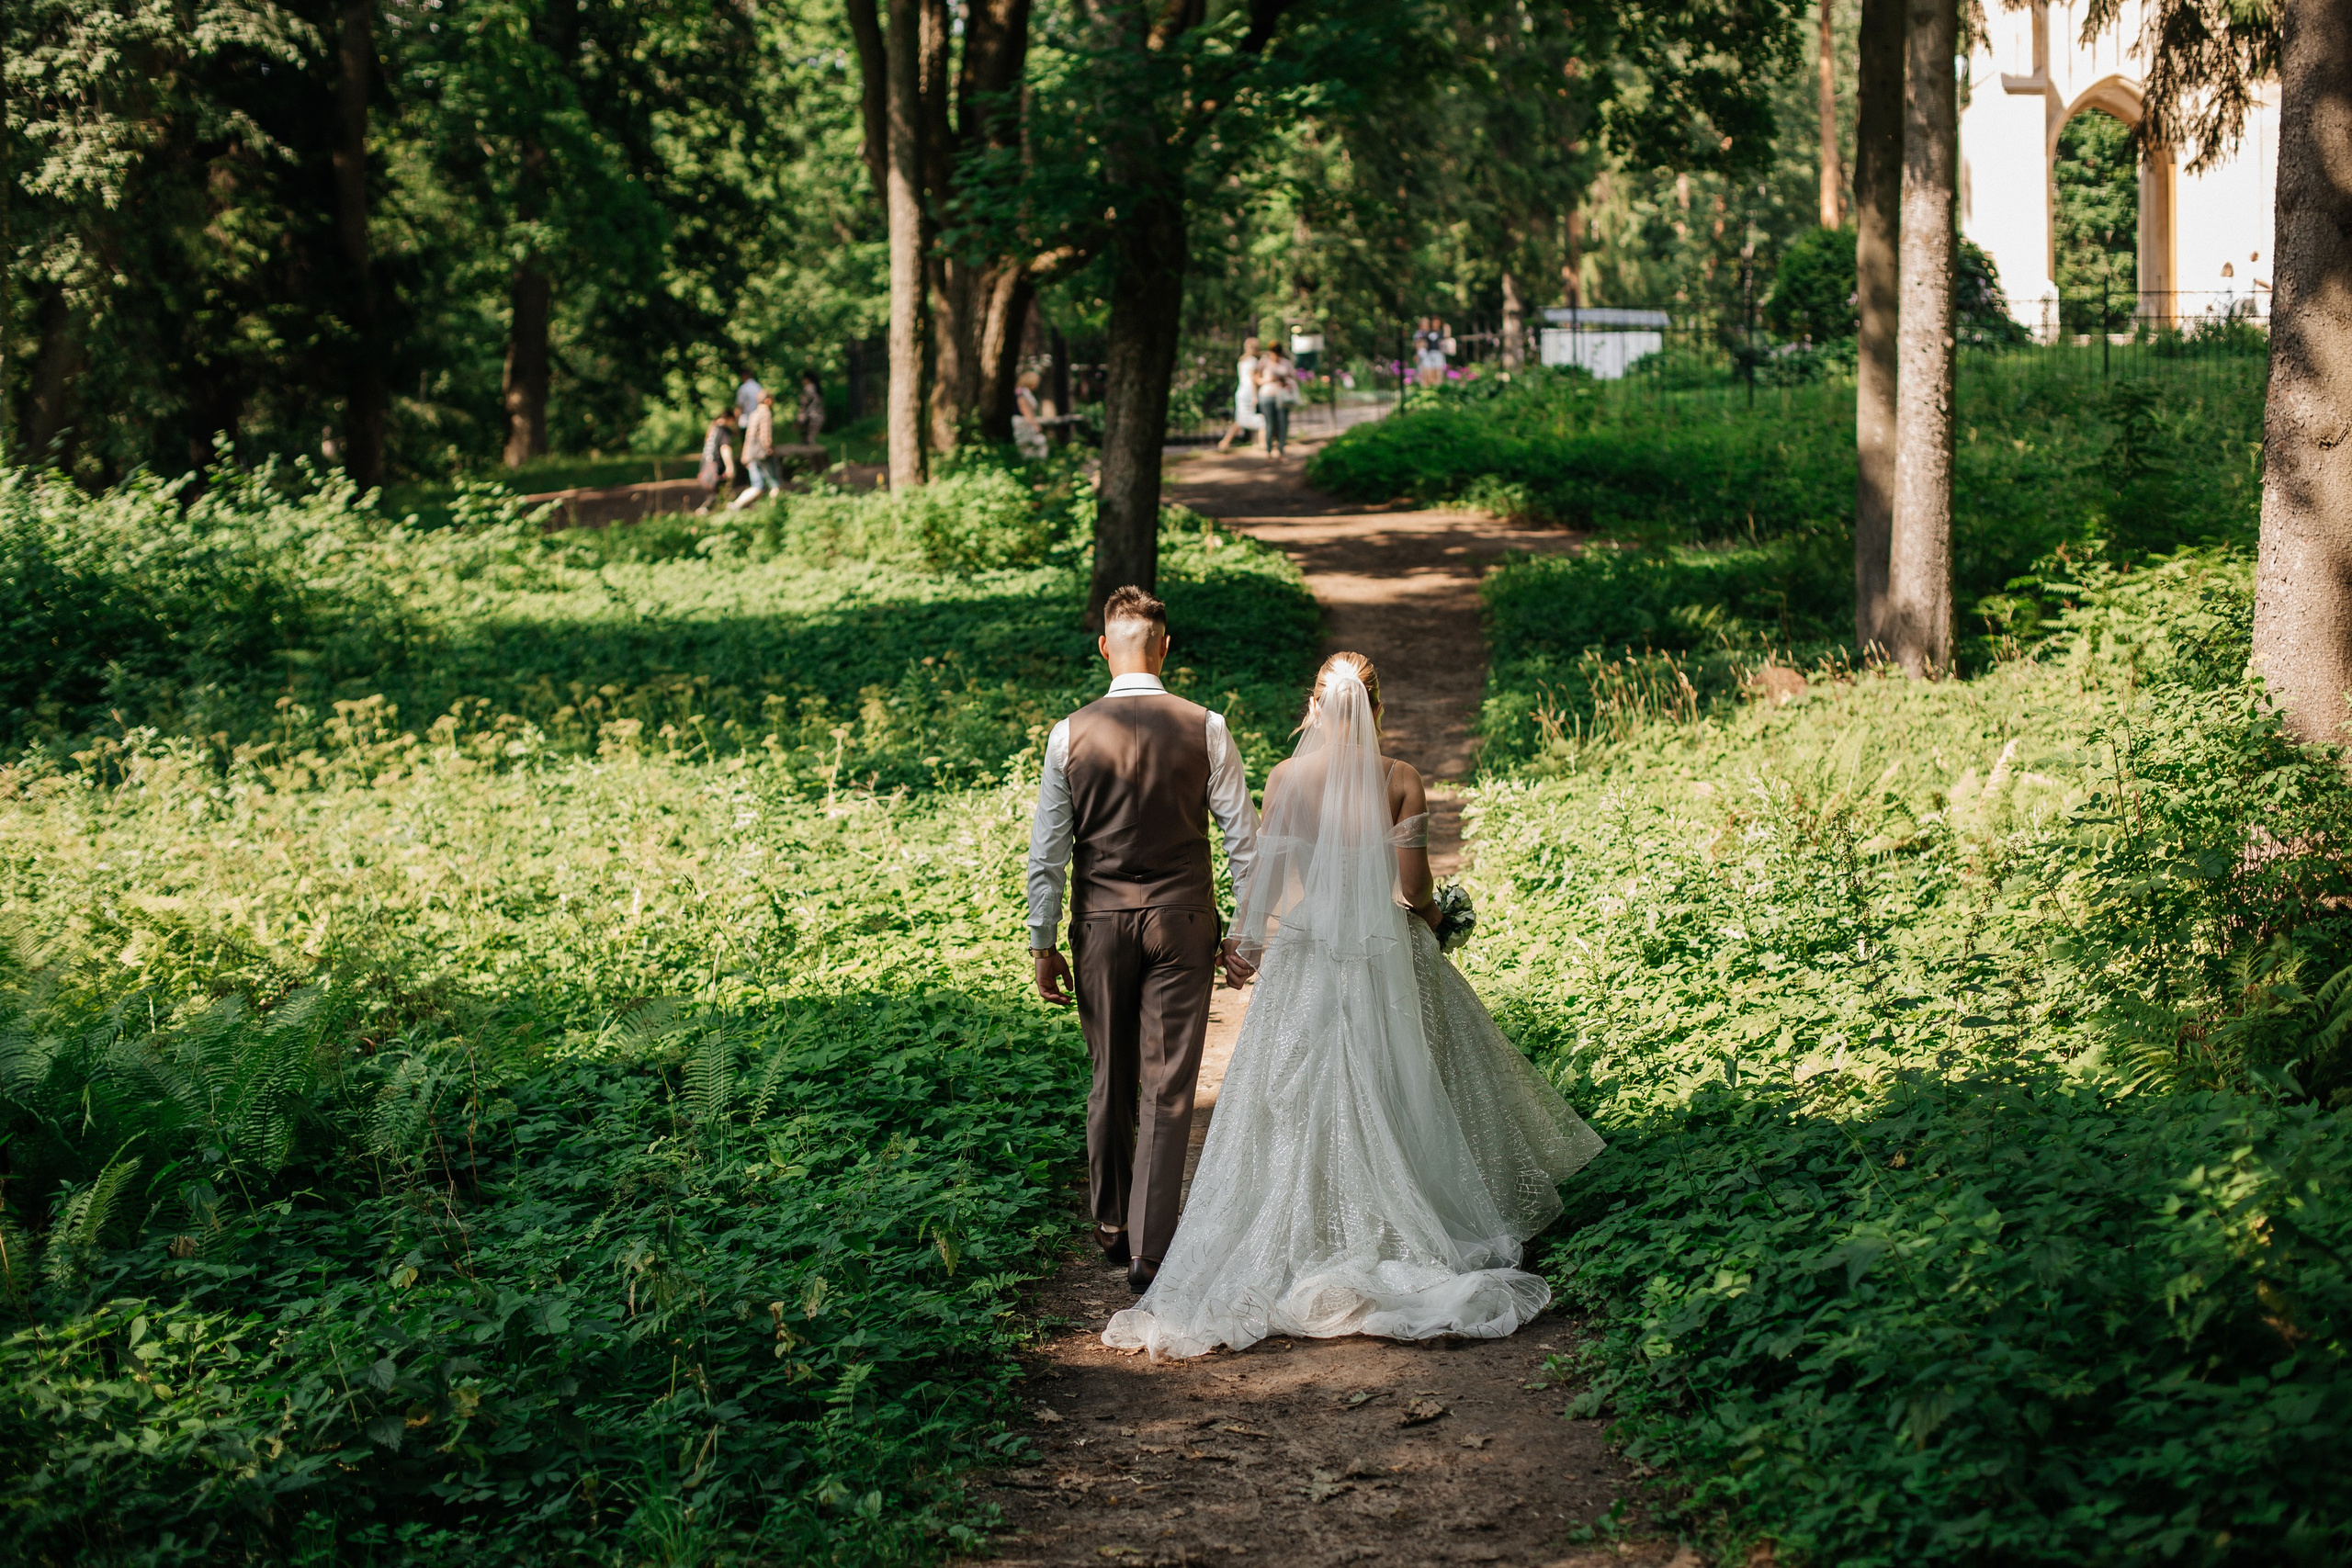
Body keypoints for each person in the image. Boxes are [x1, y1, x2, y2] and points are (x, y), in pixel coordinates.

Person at [1103, 652, 1604, 1360]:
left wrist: (1246, 944)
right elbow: (1414, 887)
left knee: (1297, 1096)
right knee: (1396, 1077)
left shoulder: (1286, 777)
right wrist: (1439, 919)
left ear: (1314, 706)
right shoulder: (1399, 779)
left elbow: (1271, 880)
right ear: (1377, 708)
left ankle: (1305, 1224)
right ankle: (1398, 1222)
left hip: (1307, 950)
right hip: (1379, 950)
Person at [1026, 586, 1262, 1295]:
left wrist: (1043, 940)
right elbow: (1245, 843)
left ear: (1106, 646)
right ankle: (1151, 1250)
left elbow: (1048, 851)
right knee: (1167, 1085)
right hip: (1182, 921)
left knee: (1111, 1073)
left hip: (1100, 922)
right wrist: (1245, 932)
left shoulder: (1068, 734)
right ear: (1165, 647)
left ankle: (1111, 1221)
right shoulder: (1207, 726)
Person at [729, 389, 780, 510]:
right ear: (767, 400)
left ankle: (735, 505)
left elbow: (749, 436)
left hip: (752, 454)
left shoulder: (753, 414)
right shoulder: (766, 413)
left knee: (757, 485)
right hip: (763, 453)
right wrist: (769, 447)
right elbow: (765, 434)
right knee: (775, 484)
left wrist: (745, 455)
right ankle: (774, 510)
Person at [1216, 336, 1263, 453]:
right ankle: (1263, 444)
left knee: (1239, 420)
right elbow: (1252, 380)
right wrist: (1255, 396)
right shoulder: (1253, 361)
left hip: (1241, 390)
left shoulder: (1242, 361)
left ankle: (1224, 443)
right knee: (1260, 421)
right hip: (1248, 392)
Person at [1254, 344, 1298, 458]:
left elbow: (1293, 377)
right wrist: (1268, 379)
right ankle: (1268, 451)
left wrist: (1284, 380)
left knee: (1283, 424)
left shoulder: (1286, 363)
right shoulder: (1264, 362)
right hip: (1267, 395)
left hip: (1282, 397)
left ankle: (1281, 451)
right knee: (1270, 424)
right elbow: (1257, 379)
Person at [695, 406, 740, 513]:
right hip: (715, 465)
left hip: (706, 464)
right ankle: (705, 511)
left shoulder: (713, 428)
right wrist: (730, 466)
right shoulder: (723, 429)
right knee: (718, 492)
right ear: (730, 418)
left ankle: (709, 511)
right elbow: (725, 448)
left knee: (714, 493)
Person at [1012, 370, 1050, 459]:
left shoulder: (1024, 391)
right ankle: (1032, 464)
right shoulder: (1022, 392)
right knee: (1031, 444)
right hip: (1023, 422)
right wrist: (1034, 424)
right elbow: (1024, 408)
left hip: (1025, 421)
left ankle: (1033, 463)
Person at [797, 369, 825, 446]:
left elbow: (805, 403)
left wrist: (801, 415)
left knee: (807, 439)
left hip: (810, 416)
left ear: (807, 379)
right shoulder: (816, 388)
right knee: (811, 439)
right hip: (818, 416)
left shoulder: (808, 388)